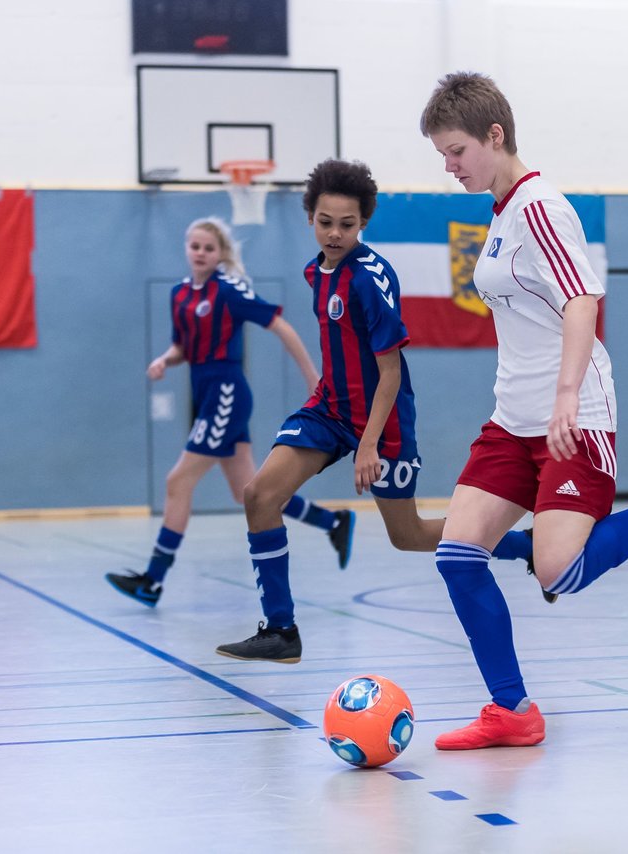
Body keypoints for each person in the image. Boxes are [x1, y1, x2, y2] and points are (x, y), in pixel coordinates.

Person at [419, 71, 628, 750]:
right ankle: (512, 711)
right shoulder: (502, 212)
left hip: (574, 413)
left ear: (493, 135)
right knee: (456, 554)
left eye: (454, 151)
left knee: (560, 571)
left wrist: (565, 395)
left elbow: (582, 302)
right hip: (512, 418)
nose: (448, 167)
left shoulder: (540, 207)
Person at [215, 159, 531, 664]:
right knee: (259, 495)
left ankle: (527, 549)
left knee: (408, 536)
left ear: (363, 223)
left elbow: (389, 373)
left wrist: (367, 447)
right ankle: (280, 630)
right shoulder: (314, 272)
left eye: (347, 224)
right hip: (329, 410)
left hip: (380, 422)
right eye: (325, 222)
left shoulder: (370, 277)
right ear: (310, 219)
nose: (335, 233)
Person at [105, 217, 353, 607]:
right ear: (186, 249)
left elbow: (281, 327)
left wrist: (314, 378)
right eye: (195, 246)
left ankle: (153, 579)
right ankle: (332, 521)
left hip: (226, 393)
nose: (201, 253)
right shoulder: (179, 294)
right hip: (205, 393)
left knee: (177, 482)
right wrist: (164, 361)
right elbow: (182, 348)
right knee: (248, 493)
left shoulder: (229, 291)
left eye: (208, 247)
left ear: (220, 253)